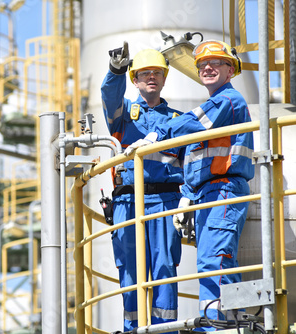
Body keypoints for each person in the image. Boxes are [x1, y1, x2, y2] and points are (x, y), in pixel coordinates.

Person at [127, 40, 255, 322]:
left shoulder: (227, 101)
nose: (207, 68)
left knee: (215, 259)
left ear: (230, 70)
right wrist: (187, 194)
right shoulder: (216, 106)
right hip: (209, 193)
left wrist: (155, 134)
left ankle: (217, 323)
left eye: (216, 63)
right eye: (202, 65)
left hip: (224, 190)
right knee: (217, 259)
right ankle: (228, 318)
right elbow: (197, 158)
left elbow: (189, 123)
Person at [101, 42, 184, 333]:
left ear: (164, 78)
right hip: (127, 203)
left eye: (157, 73)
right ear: (134, 80)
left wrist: (187, 200)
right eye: (144, 73)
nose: (151, 77)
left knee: (163, 270)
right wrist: (115, 71)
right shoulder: (123, 117)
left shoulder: (178, 121)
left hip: (166, 201)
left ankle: (166, 330)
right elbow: (110, 97)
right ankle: (131, 329)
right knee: (130, 273)